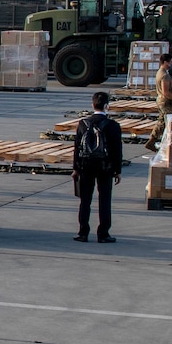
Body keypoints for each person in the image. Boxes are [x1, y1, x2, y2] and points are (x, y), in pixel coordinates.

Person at [72, 90, 124, 242]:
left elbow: (77, 148)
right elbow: (117, 150)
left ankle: (83, 232)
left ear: (92, 105)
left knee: (85, 200)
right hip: (105, 167)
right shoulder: (113, 125)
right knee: (104, 200)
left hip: (86, 166)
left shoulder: (83, 124)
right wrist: (117, 171)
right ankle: (103, 233)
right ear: (107, 106)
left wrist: (76, 169)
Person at [147, 68, 172, 152]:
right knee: (170, 123)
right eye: (170, 62)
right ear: (165, 62)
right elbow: (166, 92)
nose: (171, 64)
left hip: (161, 100)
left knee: (162, 122)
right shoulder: (165, 75)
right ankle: (168, 144)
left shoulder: (159, 72)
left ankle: (152, 140)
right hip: (165, 102)